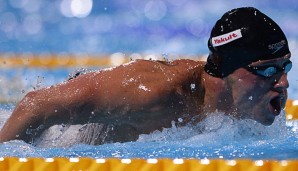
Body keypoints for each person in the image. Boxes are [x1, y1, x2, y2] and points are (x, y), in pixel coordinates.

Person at [0, 7, 292, 145]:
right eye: (267, 70)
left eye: (285, 68)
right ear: (226, 69)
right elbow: (34, 105)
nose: (283, 83)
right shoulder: (149, 92)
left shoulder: (245, 113)